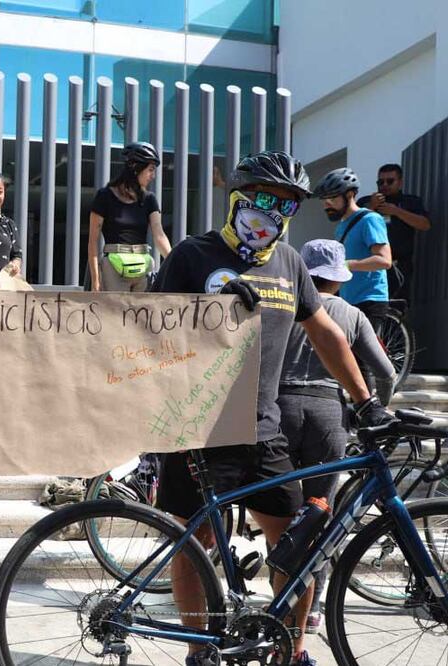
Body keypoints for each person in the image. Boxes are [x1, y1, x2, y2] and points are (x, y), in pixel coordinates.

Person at [150, 151, 394, 666]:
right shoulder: (193, 255)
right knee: (194, 545)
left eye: (287, 204)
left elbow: (325, 332)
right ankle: (199, 650)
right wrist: (208, 306)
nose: (273, 212)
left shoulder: (289, 262)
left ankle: (293, 652)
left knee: (297, 548)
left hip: (265, 428)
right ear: (238, 197)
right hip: (199, 427)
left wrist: (366, 400)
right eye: (265, 198)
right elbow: (148, 331)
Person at [278, 238, 396, 635]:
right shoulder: (352, 315)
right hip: (329, 414)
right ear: (339, 279)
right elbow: (386, 372)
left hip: (278, 410)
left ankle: (279, 598)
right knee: (321, 510)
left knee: (280, 511)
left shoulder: (284, 306)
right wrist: (374, 411)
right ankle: (311, 607)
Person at [85, 141, 172, 292]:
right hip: (113, 267)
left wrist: (174, 261)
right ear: (135, 168)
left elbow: (159, 235)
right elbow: (93, 240)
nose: (153, 176)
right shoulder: (104, 196)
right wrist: (95, 280)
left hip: (142, 266)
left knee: (143, 308)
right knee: (115, 307)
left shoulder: (149, 199)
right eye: (150, 170)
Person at [314, 168, 392, 318]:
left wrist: (347, 265)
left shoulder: (370, 219)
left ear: (349, 194)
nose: (327, 205)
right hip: (348, 301)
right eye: (324, 200)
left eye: (332, 199)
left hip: (370, 300)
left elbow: (384, 260)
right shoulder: (341, 226)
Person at [357, 163, 431, 300]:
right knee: (368, 304)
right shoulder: (365, 202)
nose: (385, 185)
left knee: (397, 304)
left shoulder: (410, 202)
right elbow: (353, 226)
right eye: (381, 182)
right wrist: (372, 207)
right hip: (370, 265)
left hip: (399, 265)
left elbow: (425, 225)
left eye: (390, 181)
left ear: (400, 182)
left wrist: (397, 211)